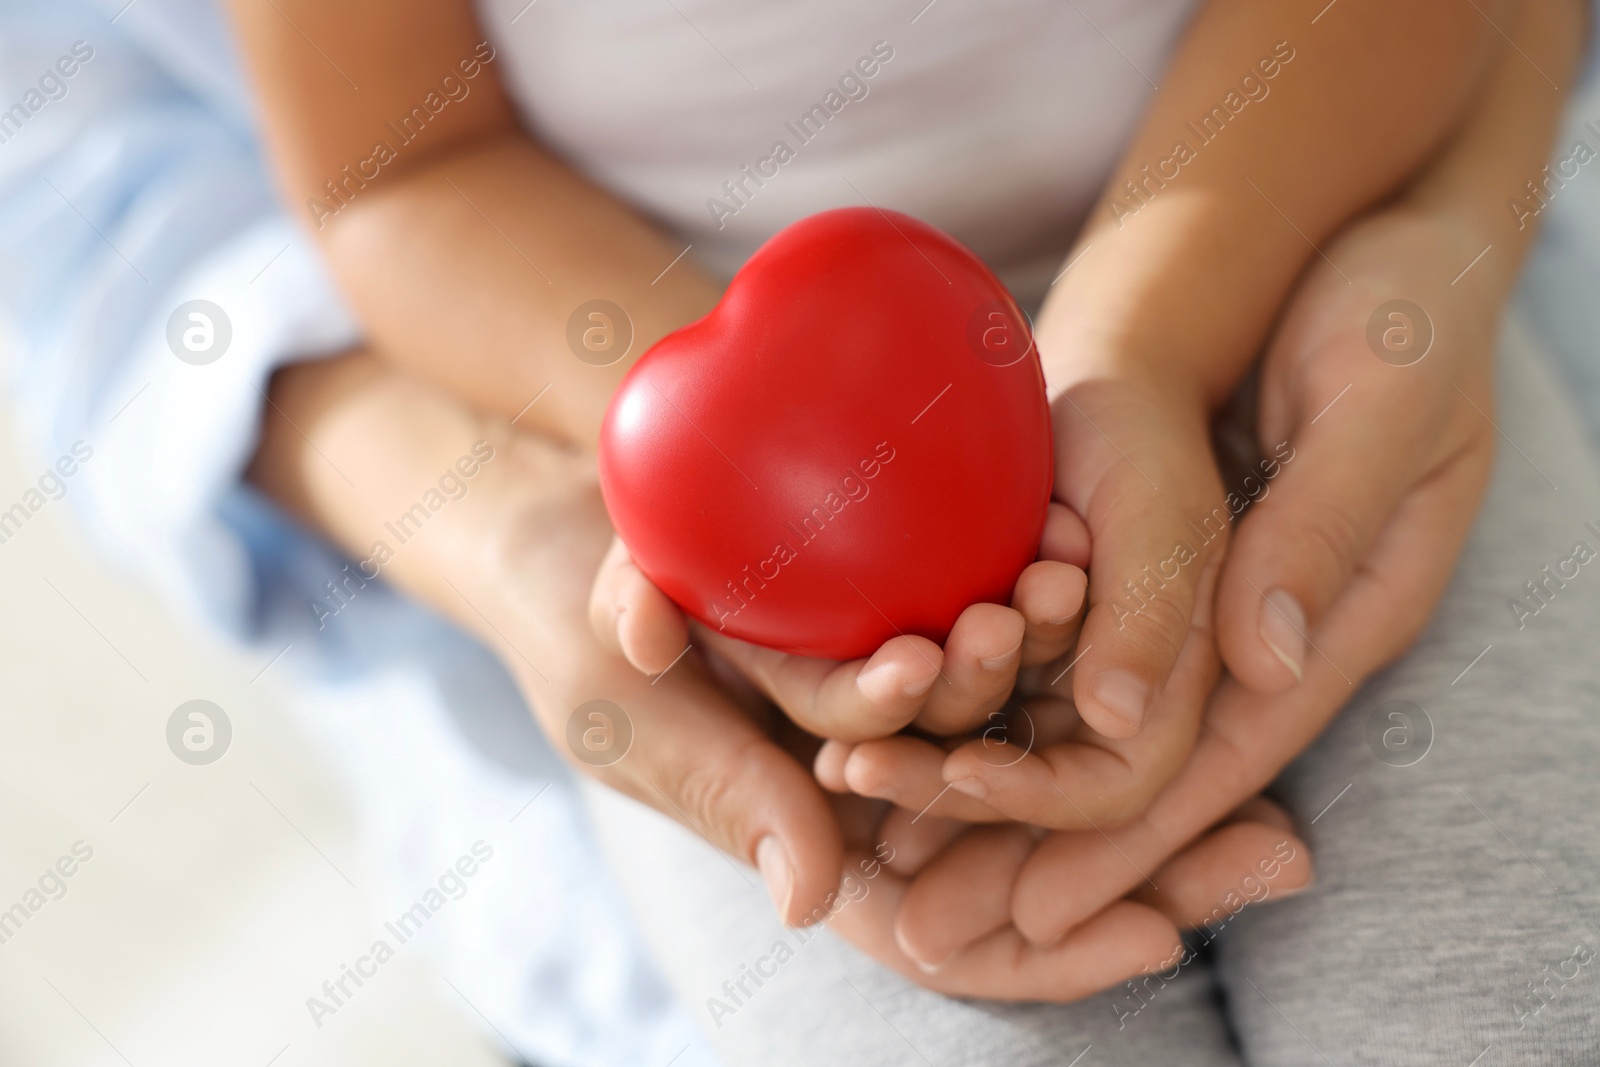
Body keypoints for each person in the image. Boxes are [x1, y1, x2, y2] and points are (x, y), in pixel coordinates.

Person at [6, 1, 1600, 1066]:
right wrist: (730, 469)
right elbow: (395, 174)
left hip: (1287, 274)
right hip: (715, 520)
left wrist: (1142, 346)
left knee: (1500, 994)